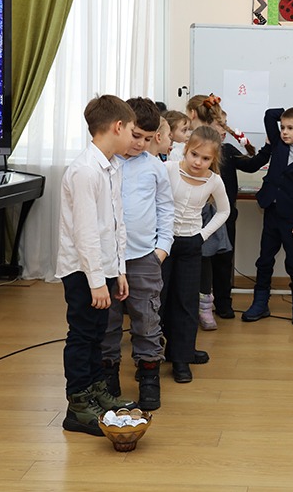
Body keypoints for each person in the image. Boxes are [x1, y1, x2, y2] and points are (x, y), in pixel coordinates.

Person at [54, 95, 138, 436]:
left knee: (98, 336)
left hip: (103, 269)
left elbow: (115, 224)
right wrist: (96, 281)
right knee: (82, 335)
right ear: (117, 127)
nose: (133, 138)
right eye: (132, 131)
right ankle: (77, 404)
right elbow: (85, 232)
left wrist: (119, 270)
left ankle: (96, 391)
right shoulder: (85, 171)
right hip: (83, 271)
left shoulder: (111, 167)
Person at [100, 98, 174, 412]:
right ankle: (108, 377)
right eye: (136, 136)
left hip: (144, 256)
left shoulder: (155, 167)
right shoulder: (105, 164)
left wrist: (162, 248)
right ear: (122, 128)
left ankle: (149, 374)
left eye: (147, 138)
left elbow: (166, 209)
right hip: (108, 257)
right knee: (108, 319)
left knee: (146, 317)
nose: (140, 144)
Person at [186, 94, 272, 322]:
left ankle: (223, 302)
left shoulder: (229, 150)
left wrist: (267, 147)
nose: (224, 130)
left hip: (226, 217)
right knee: (202, 262)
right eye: (219, 125)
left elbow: (252, 165)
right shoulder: (195, 154)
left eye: (225, 125)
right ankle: (199, 304)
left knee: (224, 261)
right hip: (198, 217)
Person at [160, 126, 230, 383]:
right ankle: (150, 357)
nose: (198, 162)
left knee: (186, 302)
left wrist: (202, 235)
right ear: (186, 149)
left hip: (191, 246)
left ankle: (181, 358)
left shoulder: (214, 181)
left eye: (206, 158)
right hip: (163, 245)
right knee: (158, 300)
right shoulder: (168, 169)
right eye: (194, 155)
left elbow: (224, 211)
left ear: (214, 159)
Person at [242, 107, 293, 325]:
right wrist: (285, 113)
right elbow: (269, 115)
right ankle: (260, 303)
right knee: (264, 260)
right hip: (271, 213)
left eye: (290, 128)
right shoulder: (278, 145)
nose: (284, 131)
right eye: (283, 127)